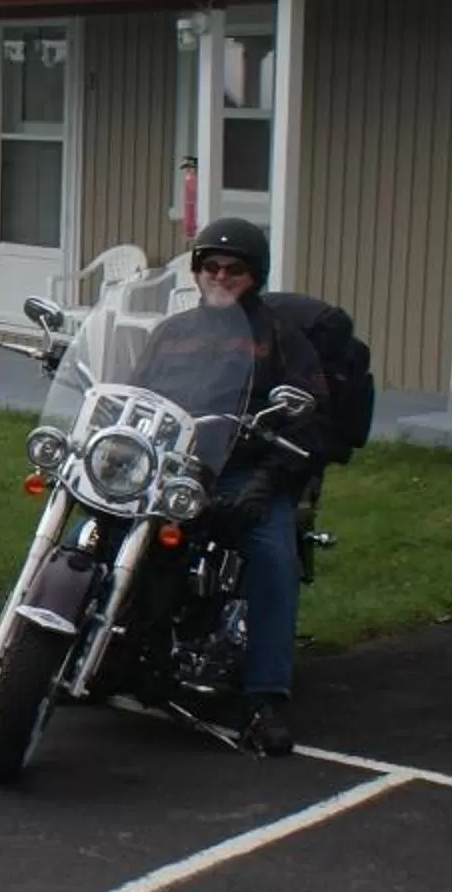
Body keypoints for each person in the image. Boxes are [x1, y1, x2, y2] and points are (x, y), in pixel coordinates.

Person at [134, 217, 327, 756]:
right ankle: (80, 644)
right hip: (172, 463)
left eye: (233, 269)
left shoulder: (284, 342)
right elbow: (135, 393)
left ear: (255, 275)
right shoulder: (170, 334)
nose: (220, 276)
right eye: (210, 266)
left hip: (247, 469)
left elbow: (312, 423)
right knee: (92, 529)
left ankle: (265, 697)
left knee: (272, 557)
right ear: (196, 272)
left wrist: (267, 481)